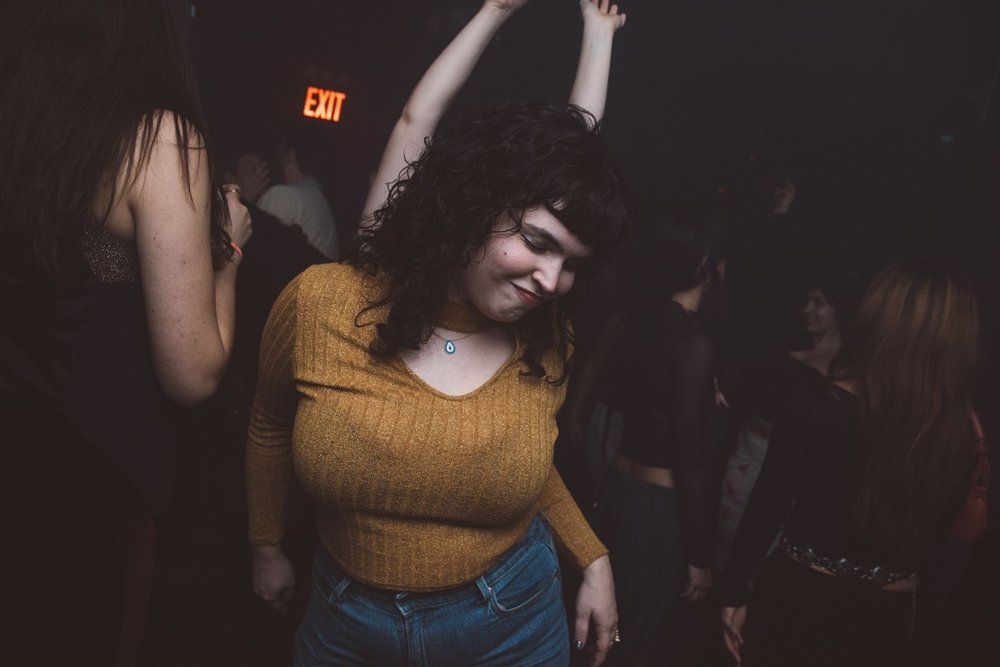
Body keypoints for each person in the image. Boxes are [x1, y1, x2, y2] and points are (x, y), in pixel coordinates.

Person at [246, 3, 628, 664]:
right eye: (537, 243)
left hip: (513, 620)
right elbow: (269, 425)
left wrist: (591, 554)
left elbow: (520, 464)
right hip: (344, 623)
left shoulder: (544, 336)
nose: (551, 278)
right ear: (470, 208)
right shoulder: (338, 299)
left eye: (573, 265)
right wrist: (266, 544)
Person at [0, 0, 251, 664]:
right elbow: (192, 372)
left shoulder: (20, 114)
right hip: (85, 490)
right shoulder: (158, 139)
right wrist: (229, 258)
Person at [721, 258, 983, 666]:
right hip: (887, 615)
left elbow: (768, 505)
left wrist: (735, 592)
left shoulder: (818, 400)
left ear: (880, 317)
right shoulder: (960, 433)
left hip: (800, 598)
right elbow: (939, 548)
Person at [595, 211, 727, 666]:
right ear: (708, 265)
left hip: (621, 489)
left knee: (605, 629)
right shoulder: (694, 343)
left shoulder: (642, 323)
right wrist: (699, 555)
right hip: (657, 510)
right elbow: (689, 458)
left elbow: (625, 394)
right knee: (638, 640)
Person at [716, 272, 860, 569]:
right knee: (732, 543)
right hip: (747, 460)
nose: (807, 309)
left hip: (802, 478)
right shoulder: (783, 354)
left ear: (839, 309)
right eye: (806, 301)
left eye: (818, 303)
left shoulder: (850, 373)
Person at [257, 125, 340, 260]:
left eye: (279, 150)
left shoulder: (281, 195)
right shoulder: (320, 200)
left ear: (289, 156)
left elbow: (257, 258)